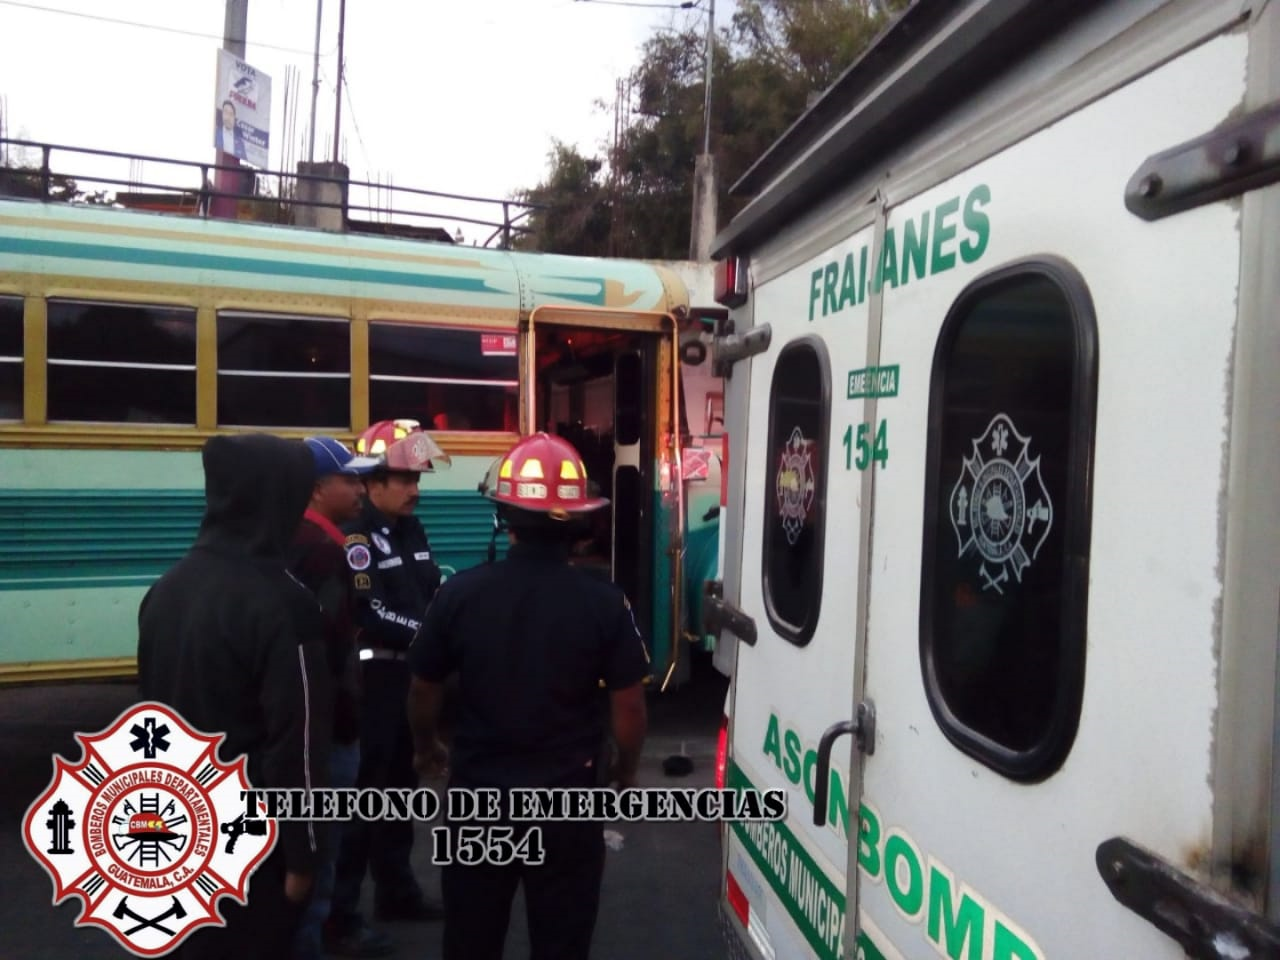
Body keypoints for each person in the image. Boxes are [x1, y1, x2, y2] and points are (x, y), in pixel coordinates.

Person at [406, 432, 650, 960]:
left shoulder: (458, 594)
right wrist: (626, 770)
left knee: (471, 939)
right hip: (567, 806)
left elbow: (424, 686)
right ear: (577, 522)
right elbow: (629, 704)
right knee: (562, 941)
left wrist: (426, 747)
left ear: (504, 516)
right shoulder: (605, 602)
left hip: (479, 800)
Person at [137, 433, 332, 959]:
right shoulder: (285, 602)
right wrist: (304, 854)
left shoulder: (167, 589)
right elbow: (297, 743)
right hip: (253, 844)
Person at [328, 419, 450, 938]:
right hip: (374, 681)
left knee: (401, 788)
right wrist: (431, 633)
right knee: (366, 795)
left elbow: (431, 590)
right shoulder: (357, 537)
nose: (414, 489)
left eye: (416, 478)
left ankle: (397, 892)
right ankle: (341, 914)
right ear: (372, 483)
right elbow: (370, 609)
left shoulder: (412, 529)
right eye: (403, 479)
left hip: (411, 678)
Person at [289, 437, 393, 960]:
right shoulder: (324, 550)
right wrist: (347, 719)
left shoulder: (294, 539)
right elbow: (330, 650)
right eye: (349, 480)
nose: (360, 489)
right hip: (328, 729)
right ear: (315, 488)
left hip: (304, 724)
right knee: (321, 851)